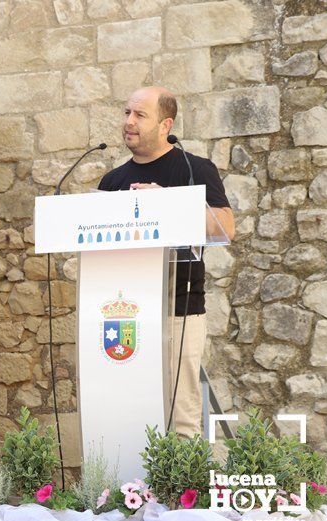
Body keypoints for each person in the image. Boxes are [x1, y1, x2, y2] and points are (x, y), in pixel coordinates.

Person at [98, 86, 236, 437]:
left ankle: (183, 491)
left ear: (165, 124)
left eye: (140, 115)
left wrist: (170, 204)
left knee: (181, 414)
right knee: (128, 411)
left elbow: (226, 227)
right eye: (127, 112)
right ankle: (128, 490)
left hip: (179, 309)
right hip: (124, 314)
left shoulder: (194, 169)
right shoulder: (111, 182)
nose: (129, 121)